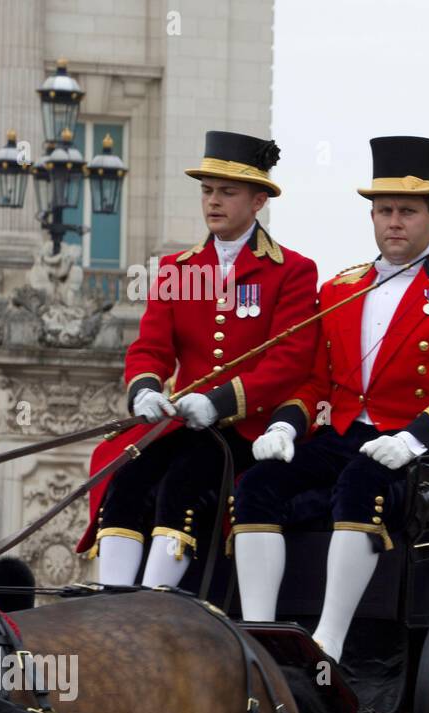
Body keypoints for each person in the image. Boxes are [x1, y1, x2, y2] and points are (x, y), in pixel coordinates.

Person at [231, 135, 429, 663]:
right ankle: (258, 635)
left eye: (406, 211)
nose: (393, 222)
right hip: (351, 433)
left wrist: (413, 439)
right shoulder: (339, 289)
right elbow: (315, 382)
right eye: (383, 211)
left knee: (361, 480)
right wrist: (285, 425)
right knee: (257, 483)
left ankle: (328, 641)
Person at [77, 131, 319, 588]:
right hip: (184, 424)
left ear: (259, 201)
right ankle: (111, 596)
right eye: (207, 191)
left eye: (227, 192)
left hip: (248, 427)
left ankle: (154, 599)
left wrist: (219, 402)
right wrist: (145, 388)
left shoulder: (292, 270)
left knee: (181, 487)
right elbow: (150, 348)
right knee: (126, 476)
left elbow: (290, 360)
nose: (213, 202)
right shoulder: (178, 269)